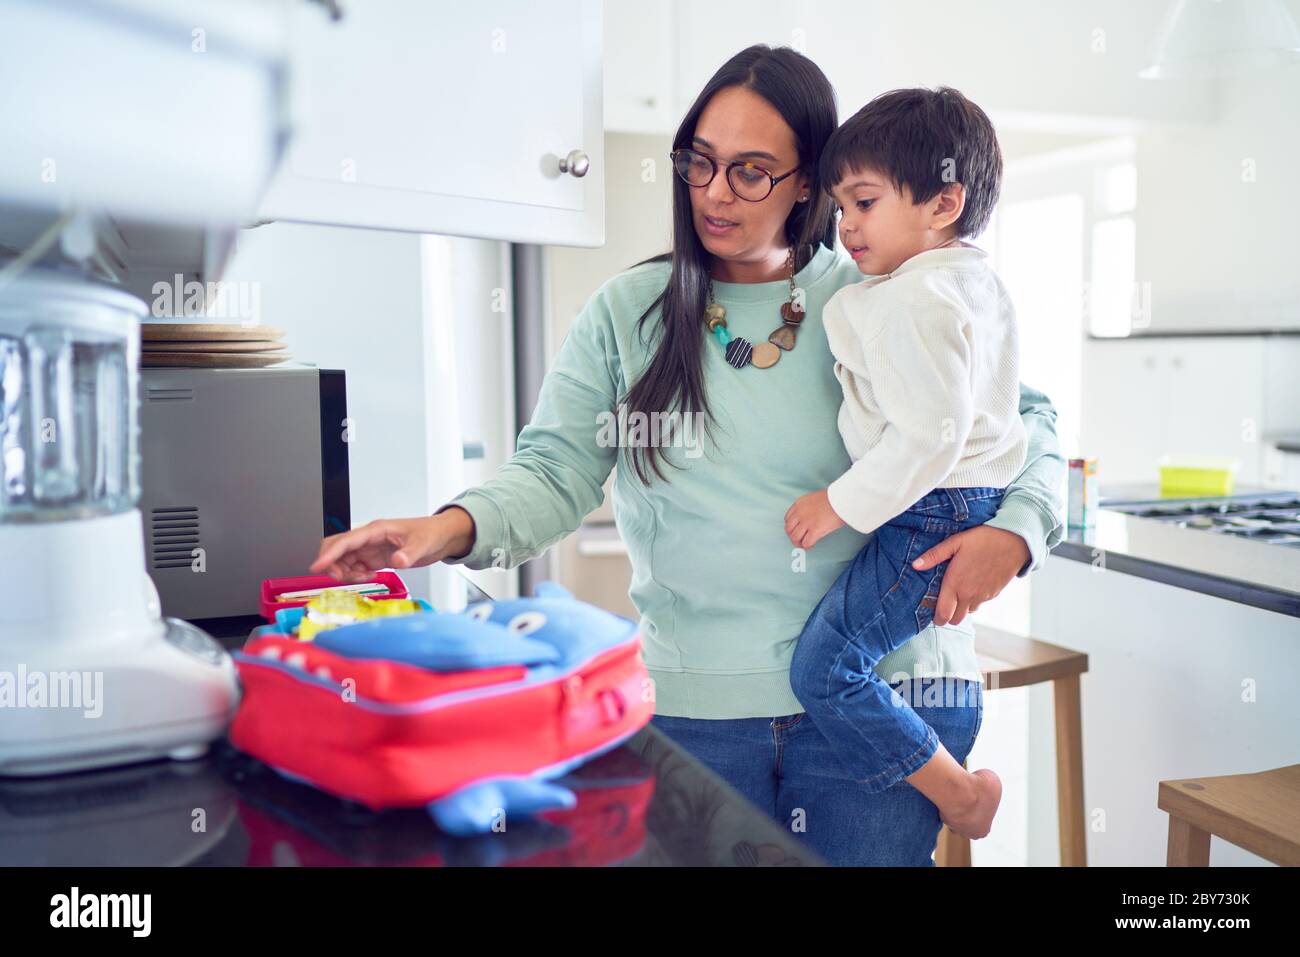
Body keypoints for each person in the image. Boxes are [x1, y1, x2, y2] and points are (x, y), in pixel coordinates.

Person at [311, 46, 1065, 866]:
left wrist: (1017, 531)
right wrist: (442, 528)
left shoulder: (887, 291)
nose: (713, 192)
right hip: (699, 709)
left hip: (889, 689)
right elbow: (556, 470)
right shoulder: (629, 311)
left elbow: (1020, 420)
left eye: (751, 171)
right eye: (698, 163)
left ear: (808, 183)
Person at [784, 86, 1025, 842]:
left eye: (863, 203)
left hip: (933, 508)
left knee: (826, 669)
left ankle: (961, 796)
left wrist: (838, 504)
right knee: (834, 664)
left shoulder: (916, 300)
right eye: (840, 207)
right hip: (959, 500)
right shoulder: (965, 282)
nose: (846, 225)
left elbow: (930, 436)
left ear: (944, 203)